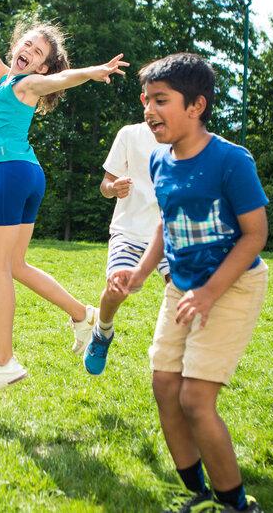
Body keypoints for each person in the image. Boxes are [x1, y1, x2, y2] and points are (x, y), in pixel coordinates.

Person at [109, 54, 268, 513]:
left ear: (196, 106)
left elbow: (256, 233)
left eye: (161, 100)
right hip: (182, 287)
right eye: (146, 100)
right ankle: (194, 491)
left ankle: (235, 503)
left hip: (232, 286)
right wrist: (140, 272)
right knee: (164, 384)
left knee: (195, 399)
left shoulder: (231, 161)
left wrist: (211, 292)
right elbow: (166, 222)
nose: (149, 110)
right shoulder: (159, 160)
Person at [0, 0, 128, 397]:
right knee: (15, 265)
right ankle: (82, 314)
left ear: (43, 68)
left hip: (13, 174)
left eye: (38, 53)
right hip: (28, 174)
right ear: (15, 45)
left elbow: (63, 78)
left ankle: (3, 362)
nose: (28, 53)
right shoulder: (5, 78)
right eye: (26, 45)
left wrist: (91, 72)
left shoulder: (28, 85)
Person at [83, 121, 169, 375]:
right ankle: (103, 331)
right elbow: (105, 184)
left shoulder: (187, 139)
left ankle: (175, 357)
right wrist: (113, 188)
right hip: (129, 230)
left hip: (169, 232)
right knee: (117, 287)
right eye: (150, 98)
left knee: (182, 291)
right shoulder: (129, 134)